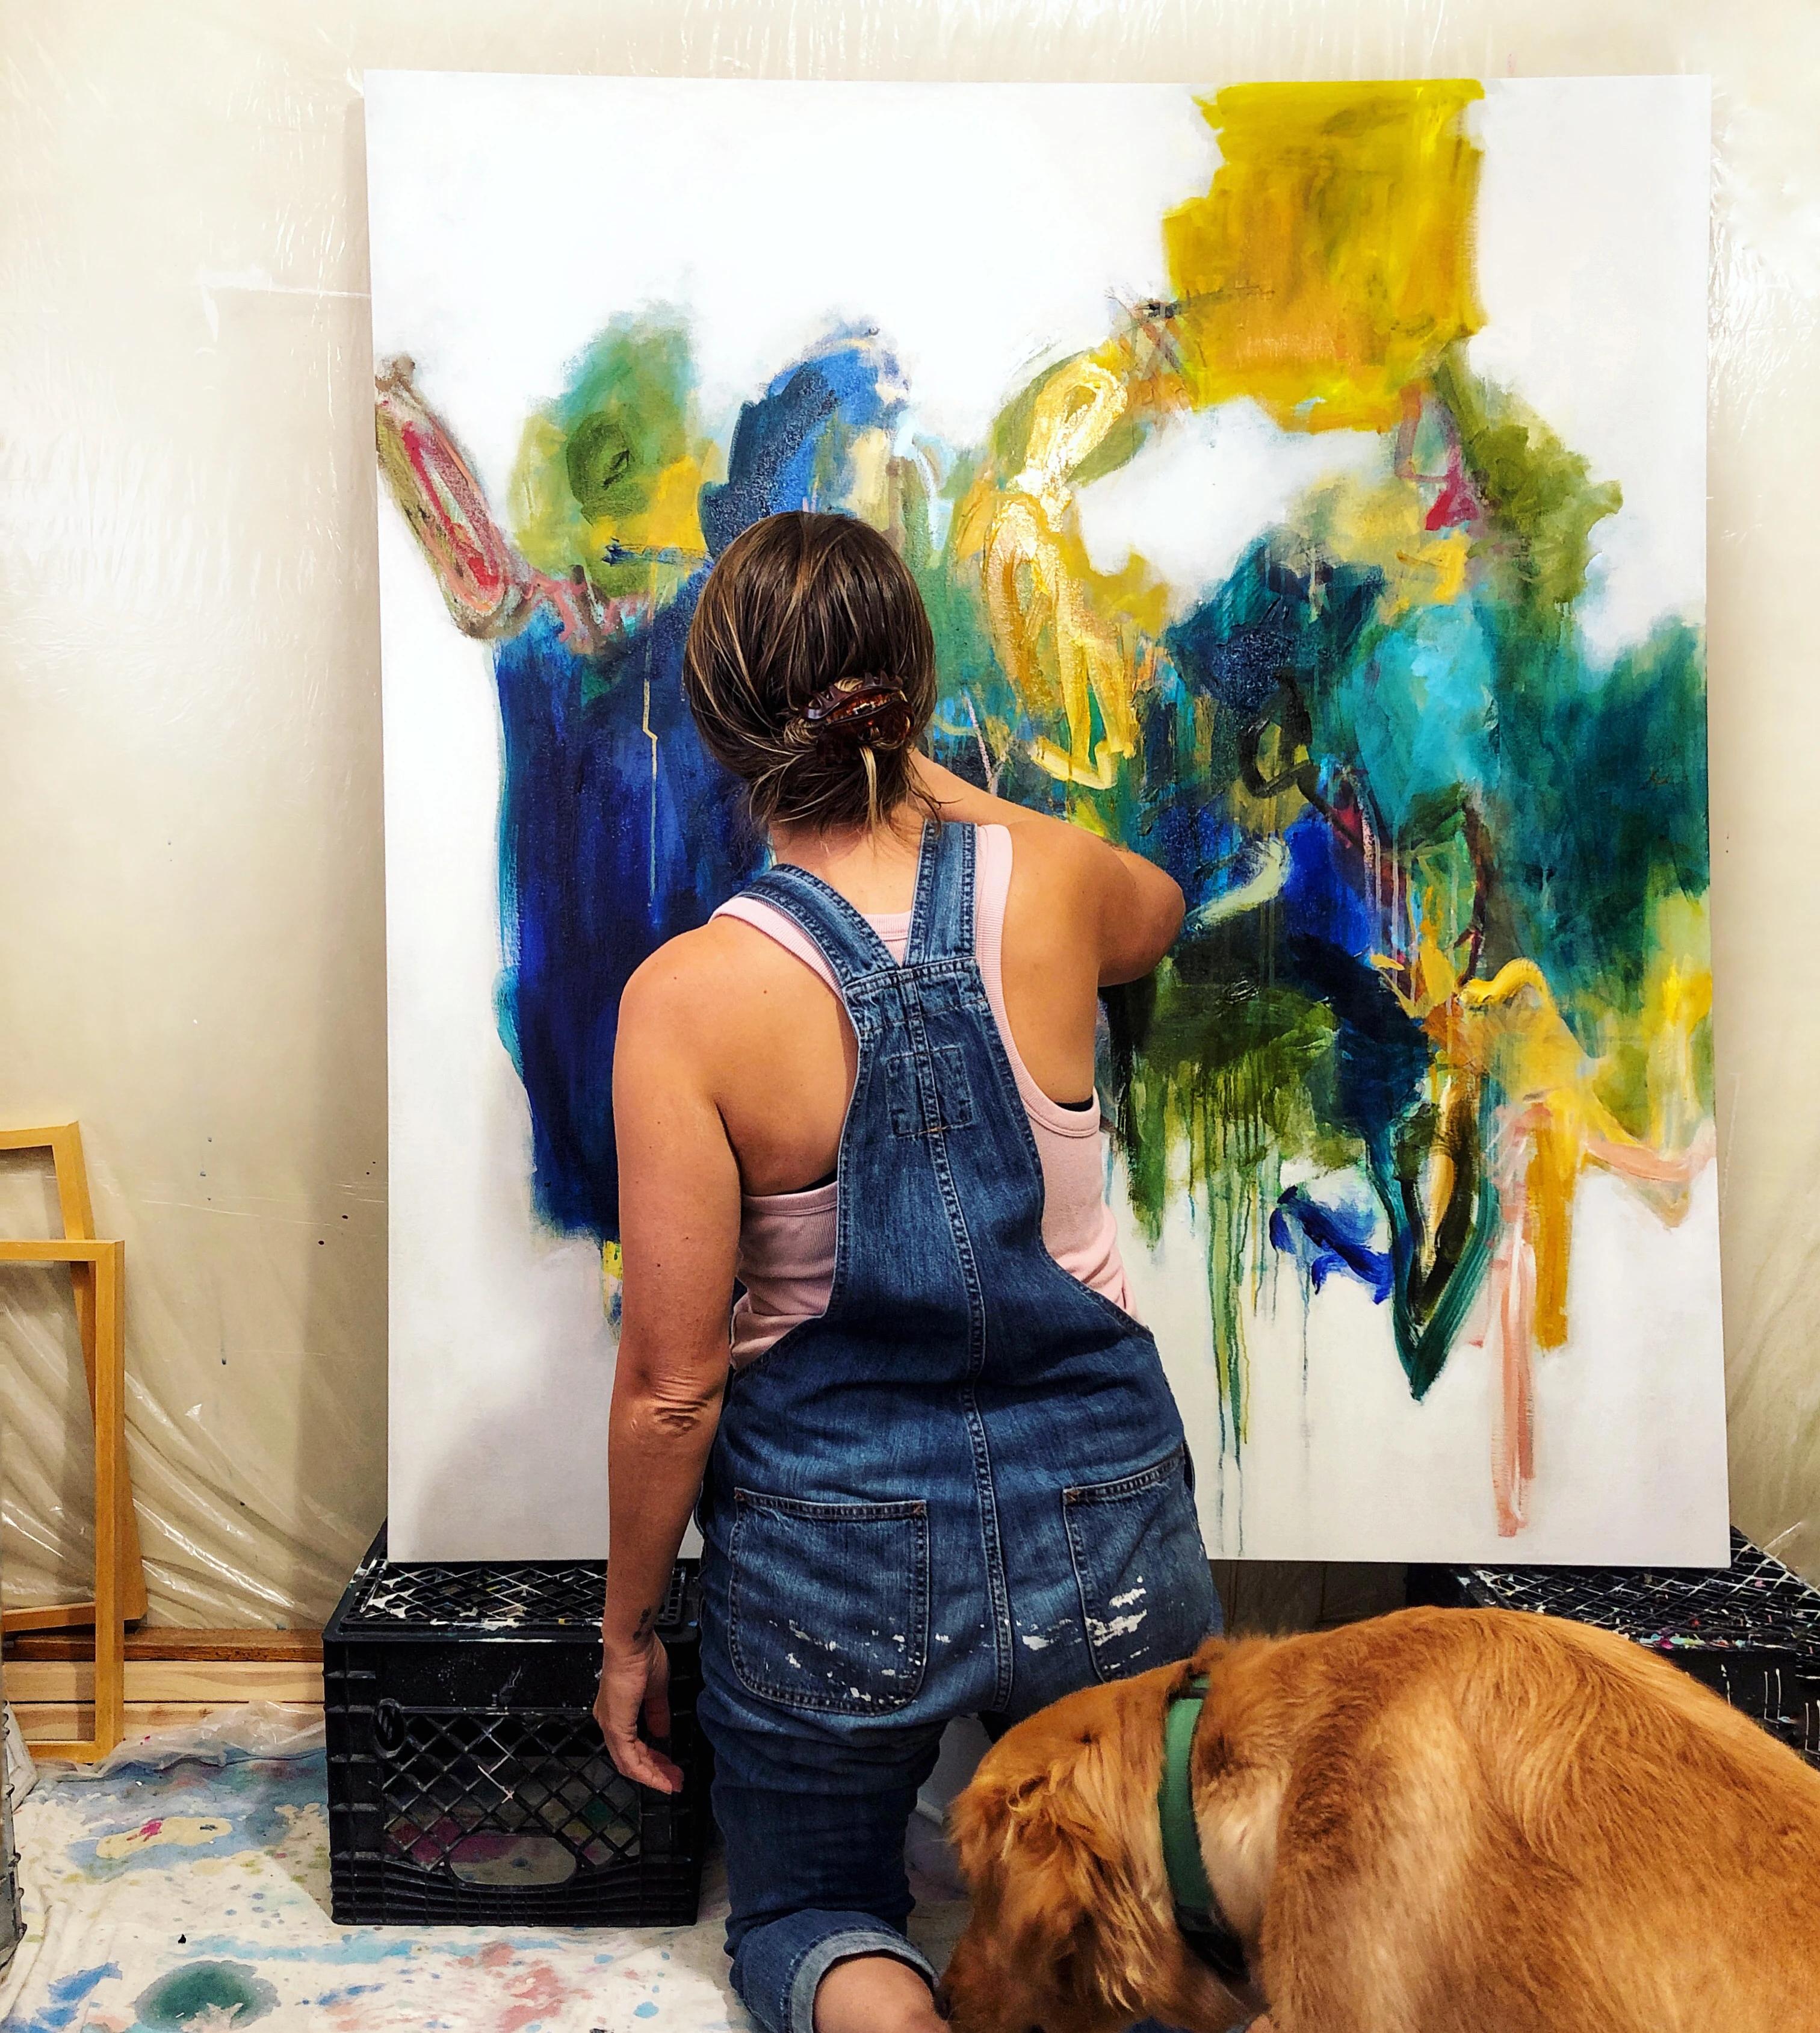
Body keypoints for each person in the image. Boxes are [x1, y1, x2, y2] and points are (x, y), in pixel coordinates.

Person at [593, 510, 1222, 2033]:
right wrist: (927, 774)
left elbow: (674, 1389)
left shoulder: (688, 1000)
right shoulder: (1059, 883)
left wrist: (623, 1634)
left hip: (833, 1545)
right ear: (911, 694)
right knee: (1134, 1915)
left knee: (814, 1913)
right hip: (1105, 1515)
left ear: (724, 724)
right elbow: (1166, 914)